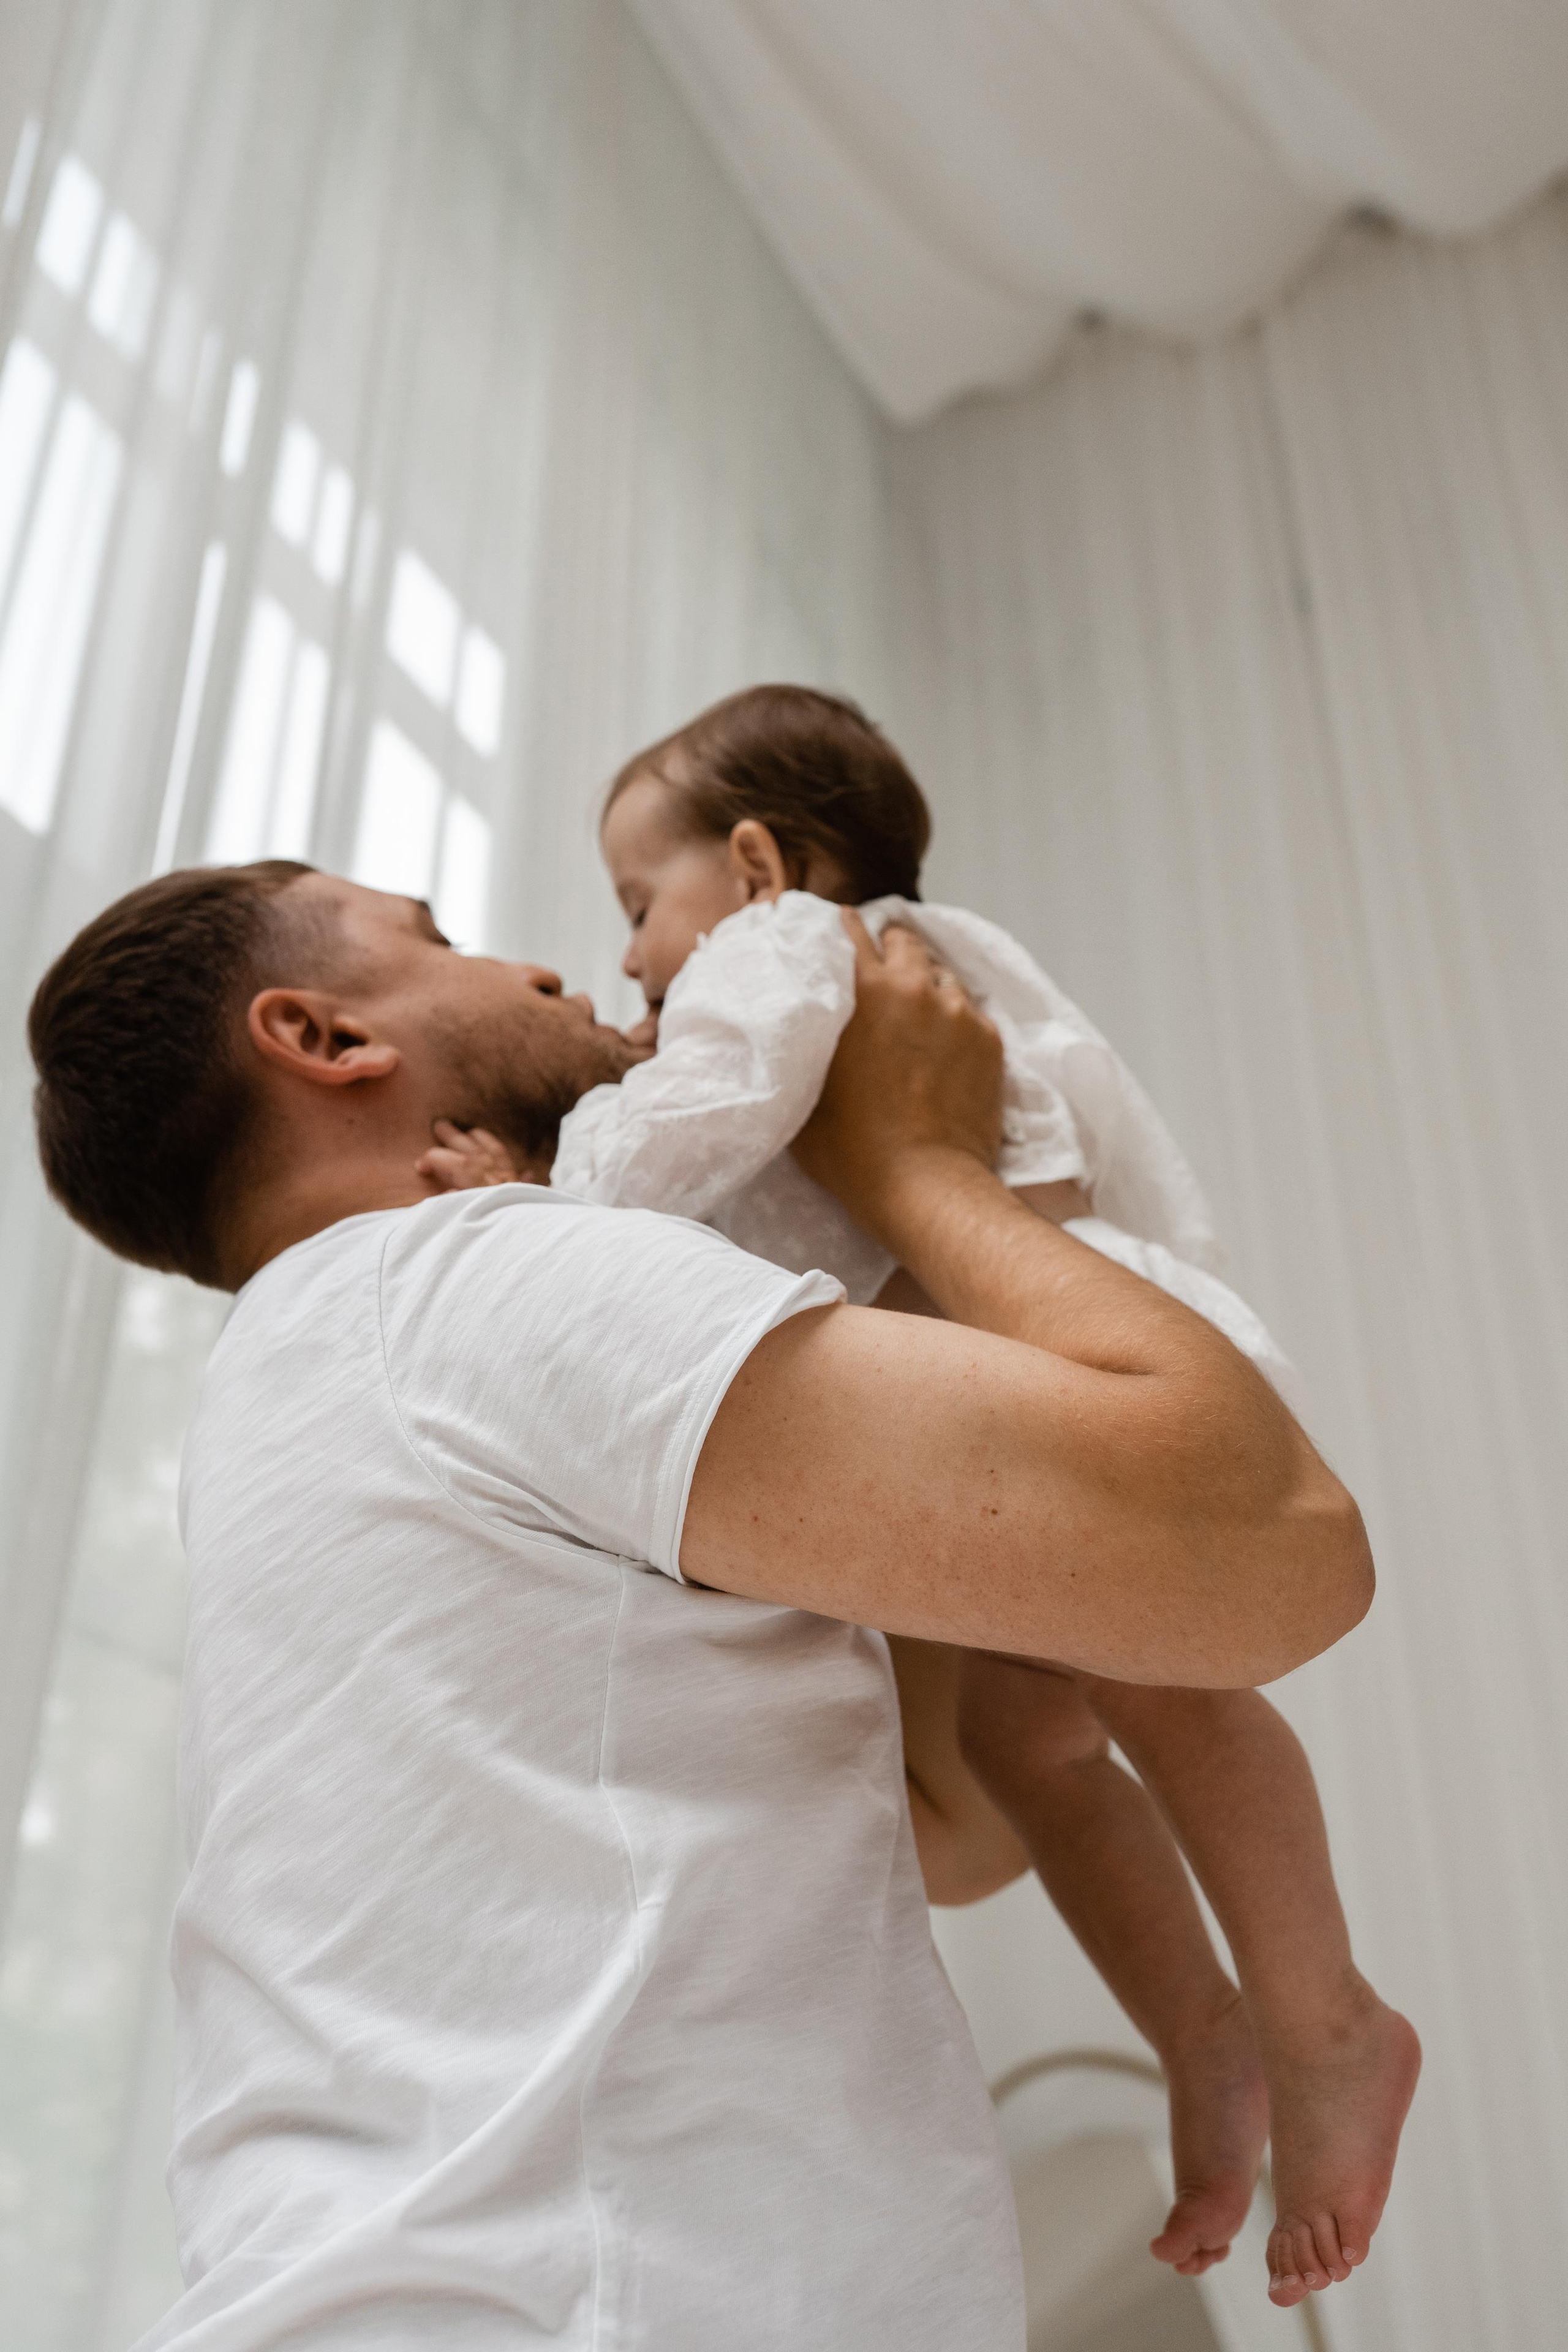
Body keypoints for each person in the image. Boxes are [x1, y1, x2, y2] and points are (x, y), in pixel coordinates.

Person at [27, 858, 1372, 2351]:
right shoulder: (466, 1278)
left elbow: (951, 1822)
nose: (549, 972)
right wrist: (919, 1168)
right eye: (437, 938)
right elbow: (1271, 1547)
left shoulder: (298, 1398)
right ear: (324, 1037)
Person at [426, 684, 1419, 2312]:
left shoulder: (788, 950)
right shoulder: (880, 956)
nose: (627, 958)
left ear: (756, 865)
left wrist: (539, 1193)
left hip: (1041, 1367)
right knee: (1031, 1739)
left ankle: (1328, 2024)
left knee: (1166, 1697)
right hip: (1000, 1367)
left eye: (637, 903)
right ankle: (1206, 2031)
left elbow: (703, 1123)